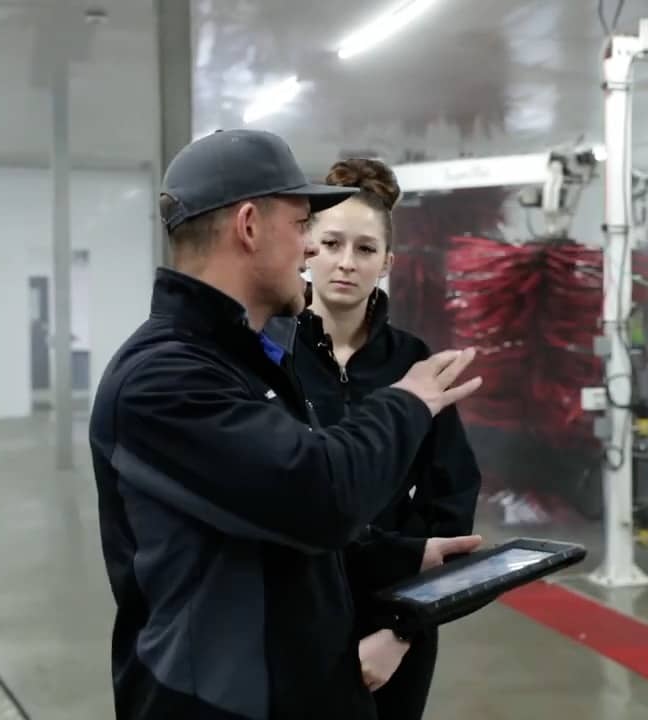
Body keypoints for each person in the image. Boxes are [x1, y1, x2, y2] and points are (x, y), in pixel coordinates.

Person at [89, 128, 483, 720]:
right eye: (304, 228)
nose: (310, 253)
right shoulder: (164, 380)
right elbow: (318, 492)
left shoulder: (242, 360)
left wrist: (403, 561)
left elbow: (275, 528)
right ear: (249, 225)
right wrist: (406, 402)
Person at [283, 158, 482, 718]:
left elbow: (452, 500)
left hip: (398, 616)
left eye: (366, 249)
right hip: (297, 612)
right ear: (306, 249)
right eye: (331, 243)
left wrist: (402, 629)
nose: (346, 263)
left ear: (387, 263)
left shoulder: (414, 363)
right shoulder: (271, 356)